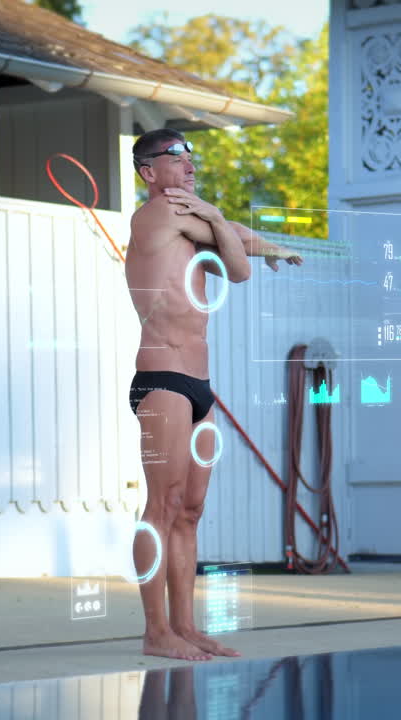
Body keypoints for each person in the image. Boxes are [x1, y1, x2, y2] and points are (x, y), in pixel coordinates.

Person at [125, 128, 302, 661]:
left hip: (198, 383)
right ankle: (156, 632)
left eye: (191, 154)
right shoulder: (158, 214)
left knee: (190, 509)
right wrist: (228, 226)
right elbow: (239, 266)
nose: (189, 163)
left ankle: (185, 626)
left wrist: (268, 243)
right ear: (148, 172)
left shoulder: (191, 220)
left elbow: (237, 238)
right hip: (162, 380)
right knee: (162, 504)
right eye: (174, 156)